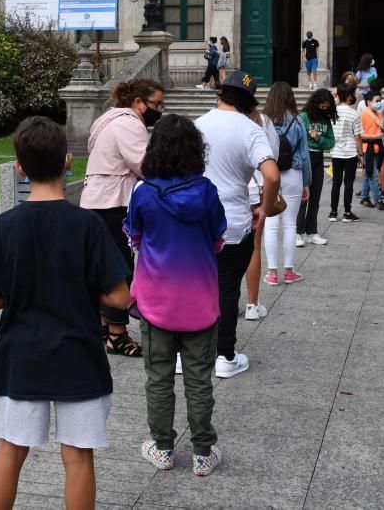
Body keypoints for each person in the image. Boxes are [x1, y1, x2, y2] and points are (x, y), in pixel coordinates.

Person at [0, 117, 132, 510]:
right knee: (78, 456)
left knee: (10, 452)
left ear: (19, 168)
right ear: (68, 162)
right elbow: (119, 296)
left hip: (20, 355)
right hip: (78, 353)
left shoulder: (5, 226)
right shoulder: (88, 225)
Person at [124, 114, 227, 477]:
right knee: (199, 378)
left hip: (155, 302)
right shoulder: (207, 192)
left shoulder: (143, 194)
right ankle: (202, 452)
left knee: (159, 377)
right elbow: (218, 239)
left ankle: (163, 447)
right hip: (200, 299)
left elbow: (134, 237)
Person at [195, 71, 280, 379]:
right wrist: (265, 210)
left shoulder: (198, 124)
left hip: (195, 219)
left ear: (220, 94)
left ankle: (186, 352)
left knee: (195, 285)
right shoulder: (250, 129)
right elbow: (271, 175)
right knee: (227, 288)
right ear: (248, 103)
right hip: (232, 219)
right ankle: (225, 355)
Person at [80, 78, 165, 357]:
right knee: (118, 270)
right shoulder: (129, 123)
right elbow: (145, 164)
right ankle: (117, 334)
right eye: (156, 104)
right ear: (138, 103)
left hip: (95, 200)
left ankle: (104, 327)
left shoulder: (107, 120)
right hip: (112, 202)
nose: (160, 109)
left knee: (102, 267)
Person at [262, 82, 311, 285]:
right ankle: (289, 271)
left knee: (271, 224)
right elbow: (305, 154)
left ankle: (272, 273)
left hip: (269, 172)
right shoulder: (298, 121)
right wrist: (306, 182)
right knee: (290, 223)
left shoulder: (262, 121)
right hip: (293, 173)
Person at [243, 108, 279, 321]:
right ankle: (252, 304)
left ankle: (222, 300)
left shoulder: (219, 121)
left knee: (219, 248)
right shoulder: (262, 121)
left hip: (225, 193)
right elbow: (272, 154)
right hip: (255, 190)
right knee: (254, 247)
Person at [297, 89, 335, 245]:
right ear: (316, 103)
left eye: (327, 107)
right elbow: (297, 138)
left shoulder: (326, 120)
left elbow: (331, 142)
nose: (324, 110)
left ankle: (311, 232)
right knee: (303, 197)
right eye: (322, 106)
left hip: (318, 157)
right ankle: (297, 232)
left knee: (316, 197)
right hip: (305, 158)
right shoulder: (304, 117)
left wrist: (318, 138)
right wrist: (310, 138)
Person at [328, 84, 363, 224]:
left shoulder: (332, 112)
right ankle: (347, 212)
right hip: (350, 152)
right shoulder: (354, 114)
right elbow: (358, 137)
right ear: (349, 96)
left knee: (336, 182)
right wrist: (361, 154)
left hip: (336, 151)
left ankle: (333, 211)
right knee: (349, 183)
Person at [359, 91, 384, 211]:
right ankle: (378, 199)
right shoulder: (363, 114)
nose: (379, 103)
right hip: (368, 148)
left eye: (380, 101)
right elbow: (359, 135)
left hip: (378, 147)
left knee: (368, 174)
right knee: (373, 175)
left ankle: (365, 197)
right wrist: (376, 136)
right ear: (369, 102)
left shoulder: (379, 114)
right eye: (377, 101)